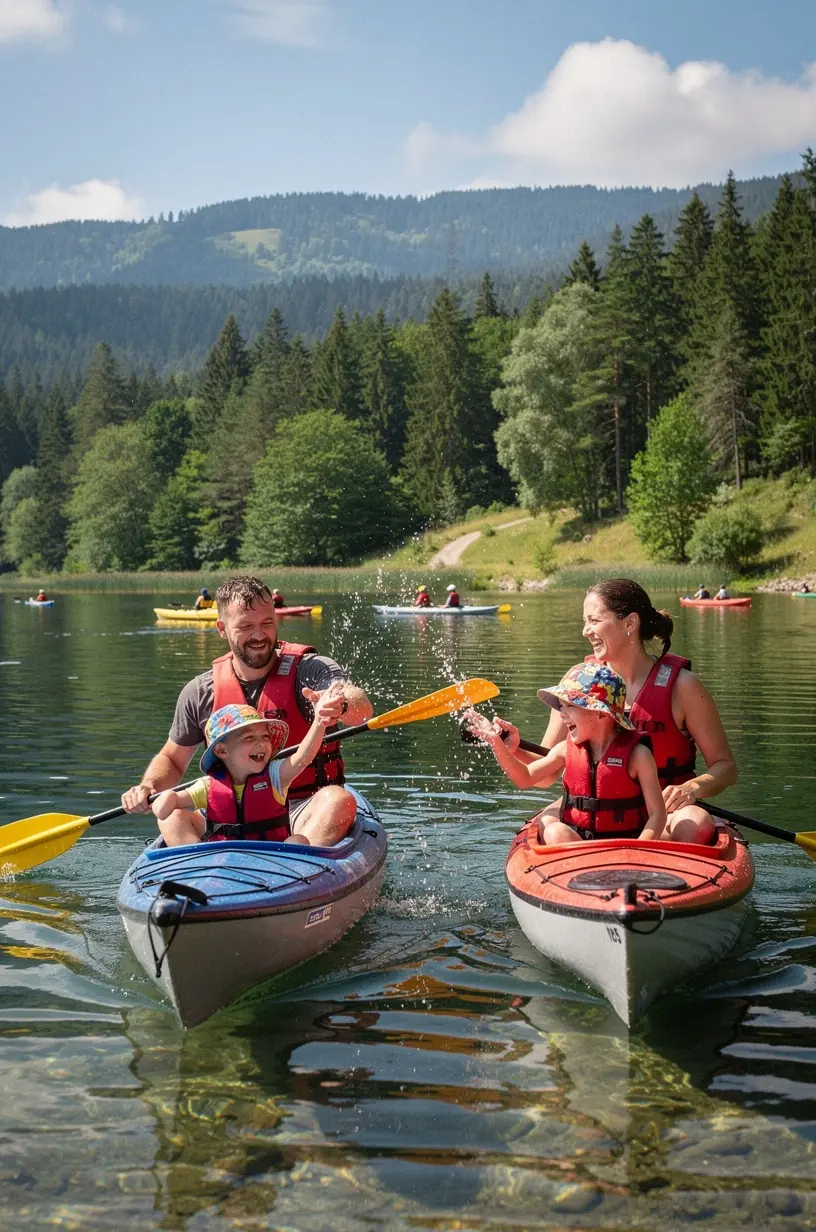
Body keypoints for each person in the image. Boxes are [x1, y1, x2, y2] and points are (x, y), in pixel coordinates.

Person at [122, 575, 373, 846]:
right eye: (246, 626)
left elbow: (362, 709)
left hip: (304, 809)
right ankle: (201, 864)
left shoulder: (311, 670)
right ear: (222, 628)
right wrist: (149, 787)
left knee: (338, 800)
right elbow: (172, 760)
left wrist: (338, 704)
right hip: (227, 815)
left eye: (267, 623)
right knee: (170, 814)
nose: (259, 635)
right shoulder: (201, 692)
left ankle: (295, 864)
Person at [534, 578, 736, 844]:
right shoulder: (576, 683)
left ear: (630, 623)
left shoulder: (683, 686)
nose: (585, 631)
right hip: (595, 816)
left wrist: (692, 788)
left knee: (696, 823)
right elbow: (543, 775)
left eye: (594, 621)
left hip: (665, 816)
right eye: (585, 621)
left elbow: (726, 767)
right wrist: (503, 742)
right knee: (549, 824)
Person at [464, 663, 666, 846]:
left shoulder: (638, 755)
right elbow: (525, 777)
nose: (562, 713)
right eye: (561, 706)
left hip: (626, 846)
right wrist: (497, 743)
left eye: (571, 705)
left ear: (600, 713)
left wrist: (638, 850)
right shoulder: (565, 749)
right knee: (555, 832)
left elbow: (658, 813)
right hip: (576, 848)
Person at [151, 689, 345, 847]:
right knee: (171, 818)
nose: (261, 743)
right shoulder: (207, 786)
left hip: (274, 862)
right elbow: (167, 808)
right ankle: (195, 863)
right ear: (222, 751)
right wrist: (168, 798)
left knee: (298, 841)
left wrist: (319, 722)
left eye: (265, 737)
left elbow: (303, 757)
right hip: (219, 860)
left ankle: (295, 880)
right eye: (249, 738)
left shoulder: (276, 776)